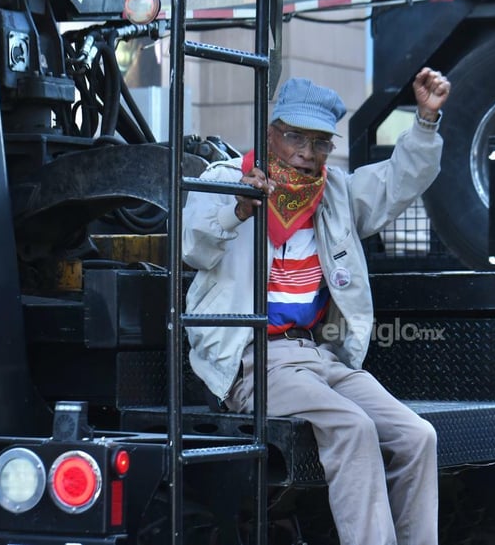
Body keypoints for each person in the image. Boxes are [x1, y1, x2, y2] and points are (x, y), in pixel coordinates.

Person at [182, 67, 451, 545]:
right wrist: (240, 208)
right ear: (271, 135)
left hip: (318, 355)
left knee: (417, 436)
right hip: (254, 360)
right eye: (294, 137)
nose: (306, 154)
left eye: (320, 143)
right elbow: (192, 247)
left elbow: (397, 181)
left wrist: (426, 121)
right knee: (353, 426)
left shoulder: (336, 194)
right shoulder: (227, 178)